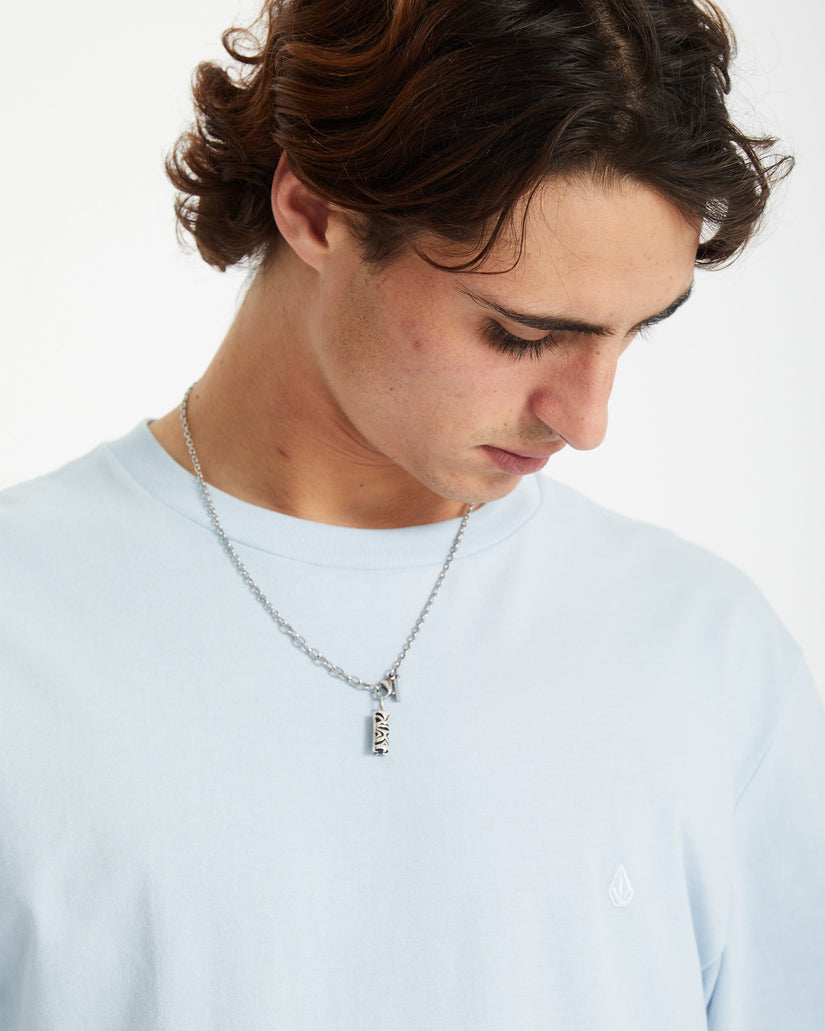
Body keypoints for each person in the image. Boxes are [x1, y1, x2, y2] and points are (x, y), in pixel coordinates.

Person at [1, 0, 823, 1028]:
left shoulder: (709, 654)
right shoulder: (24, 631)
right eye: (521, 333)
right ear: (315, 211)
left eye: (633, 332)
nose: (588, 420)